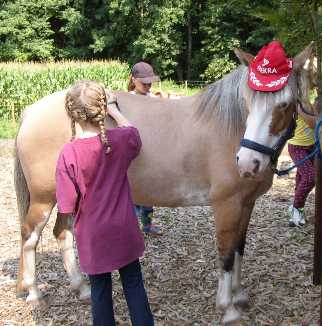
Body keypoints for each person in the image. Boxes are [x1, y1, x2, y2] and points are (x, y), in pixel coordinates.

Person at [55, 80, 154, 326]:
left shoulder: (69, 153)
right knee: (134, 285)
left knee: (100, 291)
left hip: (93, 236)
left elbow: (66, 205)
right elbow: (134, 134)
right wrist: (115, 110)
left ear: (72, 113)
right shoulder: (119, 141)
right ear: (101, 110)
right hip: (124, 230)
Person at [128, 61, 163, 236]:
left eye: (150, 83)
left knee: (148, 192)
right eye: (145, 83)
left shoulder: (152, 99)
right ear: (133, 80)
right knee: (134, 192)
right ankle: (132, 229)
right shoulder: (127, 100)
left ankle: (147, 225)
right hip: (133, 153)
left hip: (151, 151)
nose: (148, 86)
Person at [287, 97, 319, 227]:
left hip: (312, 146)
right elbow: (314, 123)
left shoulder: (314, 103)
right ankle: (295, 208)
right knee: (310, 177)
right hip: (297, 147)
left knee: (301, 179)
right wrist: (300, 109)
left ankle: (298, 211)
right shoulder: (299, 104)